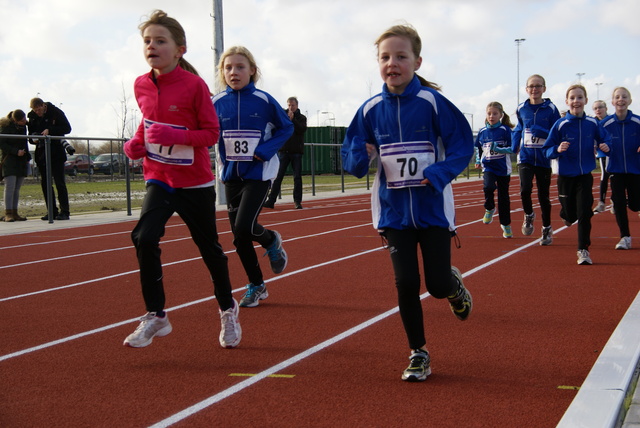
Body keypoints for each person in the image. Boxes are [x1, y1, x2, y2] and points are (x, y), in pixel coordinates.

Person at [341, 24, 473, 382]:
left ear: (417, 61)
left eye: (401, 56)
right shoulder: (369, 110)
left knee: (436, 285)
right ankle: (418, 352)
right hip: (393, 212)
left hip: (431, 209)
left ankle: (452, 285)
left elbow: (463, 145)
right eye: (385, 57)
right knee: (405, 283)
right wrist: (361, 156)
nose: (392, 63)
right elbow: (351, 158)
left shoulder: (433, 103)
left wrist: (441, 171)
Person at [122, 9, 241, 349]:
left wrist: (178, 137)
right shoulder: (141, 84)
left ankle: (227, 307)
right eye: (147, 41)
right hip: (159, 178)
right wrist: (137, 143)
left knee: (209, 250)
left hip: (195, 182)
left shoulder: (194, 86)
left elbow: (210, 134)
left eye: (160, 41)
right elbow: (148, 125)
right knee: (144, 237)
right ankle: (156, 315)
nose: (152, 46)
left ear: (179, 50)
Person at [213, 46, 293, 308]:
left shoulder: (264, 100)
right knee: (239, 238)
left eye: (240, 67)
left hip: (259, 173)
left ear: (252, 71)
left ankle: (270, 240)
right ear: (222, 72)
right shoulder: (216, 103)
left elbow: (286, 128)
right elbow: (207, 134)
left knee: (244, 227)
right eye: (228, 68)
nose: (233, 72)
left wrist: (266, 150)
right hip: (232, 176)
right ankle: (257, 285)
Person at [543, 84, 610, 265]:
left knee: (584, 212)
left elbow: (606, 138)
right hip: (565, 176)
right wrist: (556, 149)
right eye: (572, 98)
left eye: (580, 97)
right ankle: (566, 215)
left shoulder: (592, 123)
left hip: (585, 175)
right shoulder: (560, 124)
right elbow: (547, 150)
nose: (576, 101)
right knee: (570, 215)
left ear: (586, 101)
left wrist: (606, 146)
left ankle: (583, 249)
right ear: (567, 102)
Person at [512, 74, 561, 245]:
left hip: (543, 159)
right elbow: (519, 128)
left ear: (544, 89)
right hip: (525, 157)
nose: (535, 89)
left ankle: (546, 228)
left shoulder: (551, 109)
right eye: (531, 86)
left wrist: (542, 132)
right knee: (525, 189)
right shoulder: (521, 108)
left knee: (543, 196)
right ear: (526, 89)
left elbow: (558, 132)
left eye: (538, 86)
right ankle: (528, 214)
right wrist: (514, 143)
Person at [600, 87, 640, 250]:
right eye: (617, 97)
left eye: (624, 97)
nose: (621, 99)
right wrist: (600, 147)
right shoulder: (606, 124)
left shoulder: (637, 122)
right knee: (619, 203)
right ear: (612, 101)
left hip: (635, 169)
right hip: (615, 170)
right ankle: (625, 237)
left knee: (635, 204)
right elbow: (596, 140)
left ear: (630, 101)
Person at [27, 97, 74, 220]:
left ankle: (65, 211)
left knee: (59, 182)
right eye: (35, 110)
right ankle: (51, 211)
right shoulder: (32, 117)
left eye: (39, 109)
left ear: (43, 106)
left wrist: (50, 130)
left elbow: (67, 128)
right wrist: (34, 139)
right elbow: (30, 137)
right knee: (45, 184)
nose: (38, 112)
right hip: (42, 154)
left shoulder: (55, 112)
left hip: (56, 152)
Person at [475, 102, 516, 239]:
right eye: (489, 113)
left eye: (495, 114)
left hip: (503, 168)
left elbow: (513, 148)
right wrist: (477, 160)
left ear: (501, 115)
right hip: (489, 167)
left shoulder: (505, 130)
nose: (491, 116)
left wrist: (498, 149)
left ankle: (506, 225)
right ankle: (490, 207)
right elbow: (478, 148)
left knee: (503, 198)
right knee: (488, 187)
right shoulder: (482, 132)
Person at [264, 97, 308, 209]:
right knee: (278, 177)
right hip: (284, 151)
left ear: (297, 106)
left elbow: (301, 130)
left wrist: (293, 120)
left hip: (296, 152)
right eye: (289, 105)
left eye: (292, 105)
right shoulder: (283, 117)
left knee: (297, 177)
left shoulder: (302, 118)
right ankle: (271, 200)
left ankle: (297, 201)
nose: (290, 107)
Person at [0, 110, 31, 222]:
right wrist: (15, 151)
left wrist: (27, 158)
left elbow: (25, 143)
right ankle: (8, 213)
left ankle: (15, 212)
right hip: (10, 160)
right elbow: (2, 143)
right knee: (10, 187)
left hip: (21, 161)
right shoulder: (6, 127)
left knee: (17, 188)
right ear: (15, 120)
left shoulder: (23, 127)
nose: (24, 122)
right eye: (21, 120)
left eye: (24, 119)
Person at [592, 100, 611, 213]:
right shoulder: (594, 122)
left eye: (600, 107)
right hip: (602, 153)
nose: (598, 110)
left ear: (606, 108)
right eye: (595, 108)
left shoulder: (611, 121)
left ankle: (614, 200)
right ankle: (602, 202)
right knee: (605, 175)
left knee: (614, 176)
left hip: (613, 152)